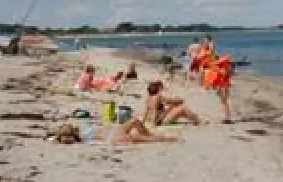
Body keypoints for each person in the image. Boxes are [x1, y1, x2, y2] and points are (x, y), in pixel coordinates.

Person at [47, 118, 179, 145]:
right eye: (67, 128)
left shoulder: (79, 132)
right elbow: (63, 140)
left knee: (135, 121)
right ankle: (166, 140)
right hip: (113, 137)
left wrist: (54, 135)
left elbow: (56, 137)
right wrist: (57, 137)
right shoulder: (77, 138)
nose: (69, 126)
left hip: (113, 131)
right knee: (139, 138)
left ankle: (154, 136)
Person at [201, 55, 234, 123]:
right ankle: (227, 117)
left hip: (223, 87)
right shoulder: (224, 68)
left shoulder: (221, 69)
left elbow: (220, 76)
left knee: (224, 102)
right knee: (225, 102)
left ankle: (227, 117)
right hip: (224, 86)